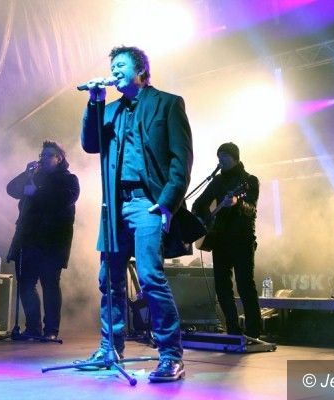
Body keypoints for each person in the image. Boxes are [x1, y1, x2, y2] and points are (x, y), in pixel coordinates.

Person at [77, 45, 193, 382]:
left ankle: (171, 355)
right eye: (112, 65)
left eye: (121, 64)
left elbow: (181, 158)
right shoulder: (110, 110)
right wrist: (95, 102)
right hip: (114, 206)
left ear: (140, 70)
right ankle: (109, 349)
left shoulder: (168, 103)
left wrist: (168, 202)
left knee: (150, 277)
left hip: (147, 203)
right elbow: (90, 143)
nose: (114, 70)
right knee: (109, 280)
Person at [6, 140, 80, 340]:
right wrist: (26, 174)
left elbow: (63, 200)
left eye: (48, 155)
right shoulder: (35, 177)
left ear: (59, 158)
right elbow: (11, 189)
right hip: (29, 240)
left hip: (52, 242)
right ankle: (33, 328)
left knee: (50, 285)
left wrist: (36, 193)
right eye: (42, 155)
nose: (43, 159)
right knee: (26, 284)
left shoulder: (69, 179)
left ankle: (51, 330)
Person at [191, 142, 262, 338]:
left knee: (245, 285)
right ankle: (233, 330)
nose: (220, 159)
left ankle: (254, 331)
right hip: (219, 239)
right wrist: (207, 219)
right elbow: (198, 204)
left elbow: (251, 208)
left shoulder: (249, 181)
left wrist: (237, 203)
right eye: (219, 156)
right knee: (222, 287)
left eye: (224, 156)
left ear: (235, 158)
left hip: (242, 239)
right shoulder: (217, 181)